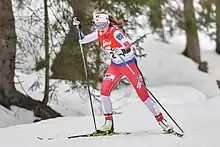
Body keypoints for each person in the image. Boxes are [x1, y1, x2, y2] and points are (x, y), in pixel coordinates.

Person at [78, 11, 173, 133]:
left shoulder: (115, 32)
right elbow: (83, 40)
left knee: (143, 95)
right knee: (104, 92)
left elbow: (127, 45)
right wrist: (78, 29)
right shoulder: (99, 32)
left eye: (102, 25)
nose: (100, 28)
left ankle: (162, 121)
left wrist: (121, 50)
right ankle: (108, 124)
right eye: (98, 25)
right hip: (115, 66)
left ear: (107, 23)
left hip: (129, 65)